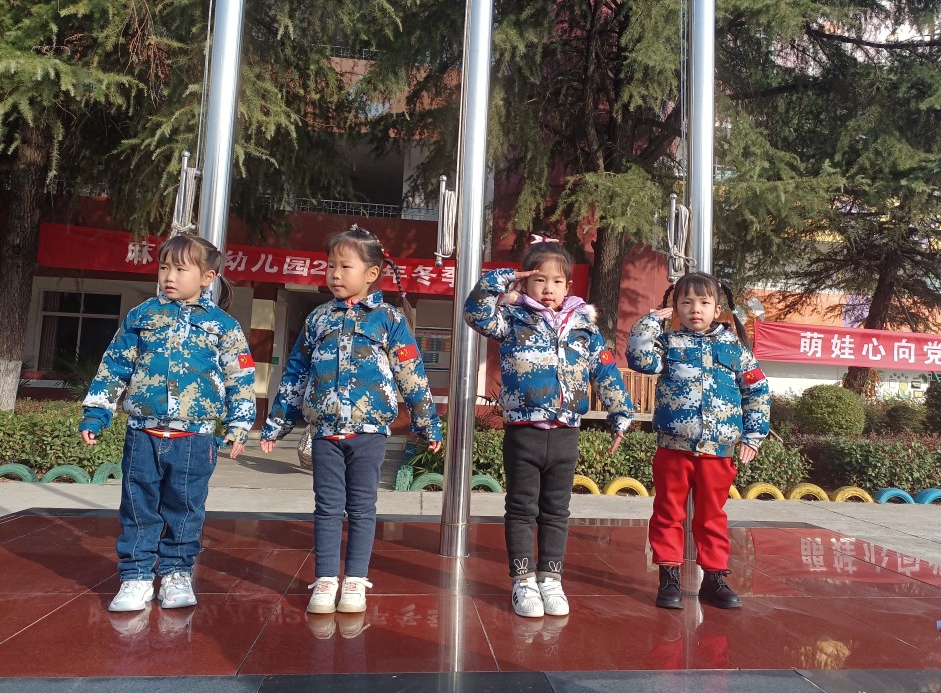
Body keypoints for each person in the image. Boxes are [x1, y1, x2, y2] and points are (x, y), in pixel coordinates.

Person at [260, 224, 442, 615]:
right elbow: (295, 373)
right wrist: (277, 423)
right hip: (325, 433)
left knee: (361, 507)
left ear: (371, 273)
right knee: (327, 507)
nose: (335, 274)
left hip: (370, 433)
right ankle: (326, 579)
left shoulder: (389, 320)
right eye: (331, 266)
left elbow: (412, 374)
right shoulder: (318, 319)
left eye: (345, 266)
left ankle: (356, 580)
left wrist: (428, 423)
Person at [80, 235, 257, 612]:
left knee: (186, 508)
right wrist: (97, 413)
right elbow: (114, 367)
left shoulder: (223, 326)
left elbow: (240, 379)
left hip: (195, 438)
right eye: (164, 267)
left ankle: (177, 573)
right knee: (138, 506)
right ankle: (136, 576)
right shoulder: (142, 316)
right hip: (143, 433)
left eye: (180, 269)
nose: (169, 276)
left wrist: (239, 425)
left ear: (207, 277)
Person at [464, 236, 634, 618]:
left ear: (568, 286)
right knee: (521, 509)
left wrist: (620, 413)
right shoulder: (511, 319)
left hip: (565, 434)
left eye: (556, 281)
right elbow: (474, 314)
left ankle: (551, 578)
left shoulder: (584, 327)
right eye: (539, 280)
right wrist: (499, 280)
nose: (548, 288)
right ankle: (523, 581)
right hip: (523, 432)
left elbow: (605, 370)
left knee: (556, 511)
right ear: (525, 281)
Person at [626, 272, 769, 610]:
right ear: (675, 307)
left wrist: (753, 436)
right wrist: (649, 322)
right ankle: (669, 576)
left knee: (711, 516)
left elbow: (758, 391)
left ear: (717, 309)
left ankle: (714, 577)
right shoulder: (668, 344)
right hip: (674, 448)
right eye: (686, 302)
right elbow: (639, 359)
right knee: (668, 512)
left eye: (704, 303)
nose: (695, 309)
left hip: (718, 451)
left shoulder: (735, 348)